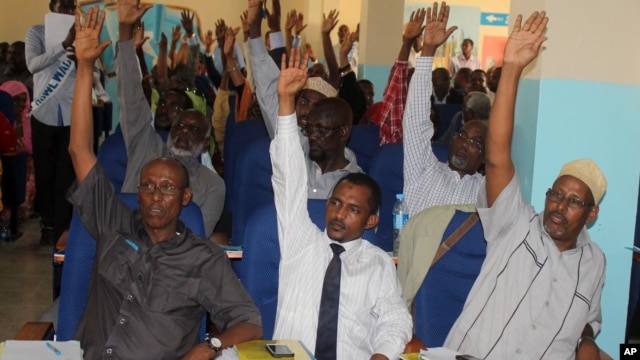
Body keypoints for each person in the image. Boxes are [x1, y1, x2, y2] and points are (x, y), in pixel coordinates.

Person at [68, 6, 262, 359]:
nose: (156, 195)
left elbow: (250, 322)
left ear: (186, 196)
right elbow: (79, 150)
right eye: (148, 186)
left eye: (167, 188)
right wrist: (84, 68)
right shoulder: (113, 223)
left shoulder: (203, 259)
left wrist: (210, 345)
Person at [444, 11, 607, 359]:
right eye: (555, 195)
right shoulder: (515, 223)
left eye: (574, 202)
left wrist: (587, 339)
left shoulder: (595, 262)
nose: (559, 206)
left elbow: (589, 316)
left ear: (591, 213)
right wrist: (513, 69)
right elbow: (498, 156)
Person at [272, 46, 412, 360]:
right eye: (335, 203)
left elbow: (395, 318)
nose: (339, 213)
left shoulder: (377, 263)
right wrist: (285, 102)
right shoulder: (299, 240)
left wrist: (383, 354)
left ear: (371, 221)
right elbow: (287, 178)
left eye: (353, 209)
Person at [116, 0, 225, 237]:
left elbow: (197, 238)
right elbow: (131, 96)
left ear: (206, 143)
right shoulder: (145, 145)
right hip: (126, 249)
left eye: (194, 129)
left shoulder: (212, 185)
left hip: (177, 265)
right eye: (181, 125)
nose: (184, 131)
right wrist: (124, 32)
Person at [247, 0, 361, 199]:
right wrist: (255, 30)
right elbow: (268, 88)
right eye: (304, 102)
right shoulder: (292, 145)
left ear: (341, 129)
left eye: (317, 107)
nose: (308, 112)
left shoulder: (357, 182)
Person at [402, 4, 486, 217]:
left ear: (485, 158)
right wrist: (428, 50)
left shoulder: (485, 191)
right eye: (462, 136)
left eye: (476, 143)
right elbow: (416, 121)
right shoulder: (424, 168)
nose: (465, 145)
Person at [25, 0, 77, 246]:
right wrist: (63, 45)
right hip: (43, 112)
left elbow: (98, 73)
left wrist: (82, 60)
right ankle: (47, 223)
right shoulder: (36, 32)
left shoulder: (82, 33)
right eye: (63, 5)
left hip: (70, 113)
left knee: (67, 172)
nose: (67, 11)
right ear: (52, 6)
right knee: (45, 171)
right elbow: (33, 65)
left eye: (71, 6)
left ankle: (62, 224)